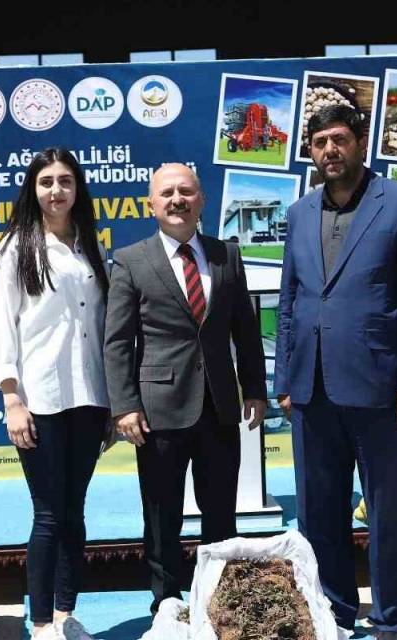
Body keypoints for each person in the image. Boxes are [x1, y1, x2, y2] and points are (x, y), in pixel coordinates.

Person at [273, 104, 397, 638]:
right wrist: (284, 381)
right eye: (320, 142)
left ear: (360, 141)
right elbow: (292, 300)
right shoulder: (299, 213)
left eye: (339, 139)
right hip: (312, 389)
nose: (329, 151)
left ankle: (391, 619)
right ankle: (334, 613)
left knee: (386, 512)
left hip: (380, 388)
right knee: (319, 512)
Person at [103, 163, 267, 614]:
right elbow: (117, 341)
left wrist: (254, 387)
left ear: (202, 200)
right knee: (161, 516)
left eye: (186, 192)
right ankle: (167, 603)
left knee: (221, 513)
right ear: (151, 205)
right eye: (167, 193)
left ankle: (219, 599)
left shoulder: (226, 255)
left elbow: (245, 330)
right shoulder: (131, 260)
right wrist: (124, 406)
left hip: (219, 407)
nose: (177, 200)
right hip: (157, 412)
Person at [0, 148, 112, 640]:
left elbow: (101, 326)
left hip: (88, 396)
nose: (56, 190)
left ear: (77, 188)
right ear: (32, 189)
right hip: (39, 399)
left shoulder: (89, 247)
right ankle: (40, 623)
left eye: (65, 181)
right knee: (48, 513)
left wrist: (111, 403)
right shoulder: (15, 248)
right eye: (46, 182)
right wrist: (11, 399)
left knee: (75, 511)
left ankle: (65, 614)